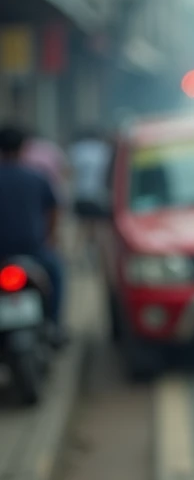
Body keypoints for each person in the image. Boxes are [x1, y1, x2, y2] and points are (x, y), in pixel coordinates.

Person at [0, 124, 68, 347]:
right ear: (23, 148)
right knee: (57, 275)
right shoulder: (37, 177)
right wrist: (50, 238)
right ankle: (55, 326)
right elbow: (54, 209)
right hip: (34, 251)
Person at [68, 128, 113, 264]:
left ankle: (75, 262)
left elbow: (69, 172)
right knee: (102, 232)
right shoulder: (105, 150)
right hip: (99, 196)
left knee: (81, 230)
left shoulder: (77, 150)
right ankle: (104, 262)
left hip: (81, 195)